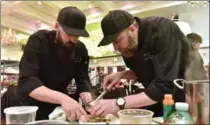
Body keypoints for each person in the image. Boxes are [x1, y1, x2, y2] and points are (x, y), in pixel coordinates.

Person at [90, 10, 191, 117]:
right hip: (157, 99)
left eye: (117, 41)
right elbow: (143, 72)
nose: (115, 48)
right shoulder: (128, 47)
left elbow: (165, 85)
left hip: (185, 96)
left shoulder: (160, 29)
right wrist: (121, 75)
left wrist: (117, 103)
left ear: (132, 29)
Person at [17, 6, 92, 120]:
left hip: (58, 107)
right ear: (57, 26)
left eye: (77, 36)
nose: (73, 39)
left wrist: (85, 91)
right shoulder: (39, 40)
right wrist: (63, 98)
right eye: (69, 33)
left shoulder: (81, 49)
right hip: (32, 107)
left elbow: (83, 78)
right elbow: (27, 80)